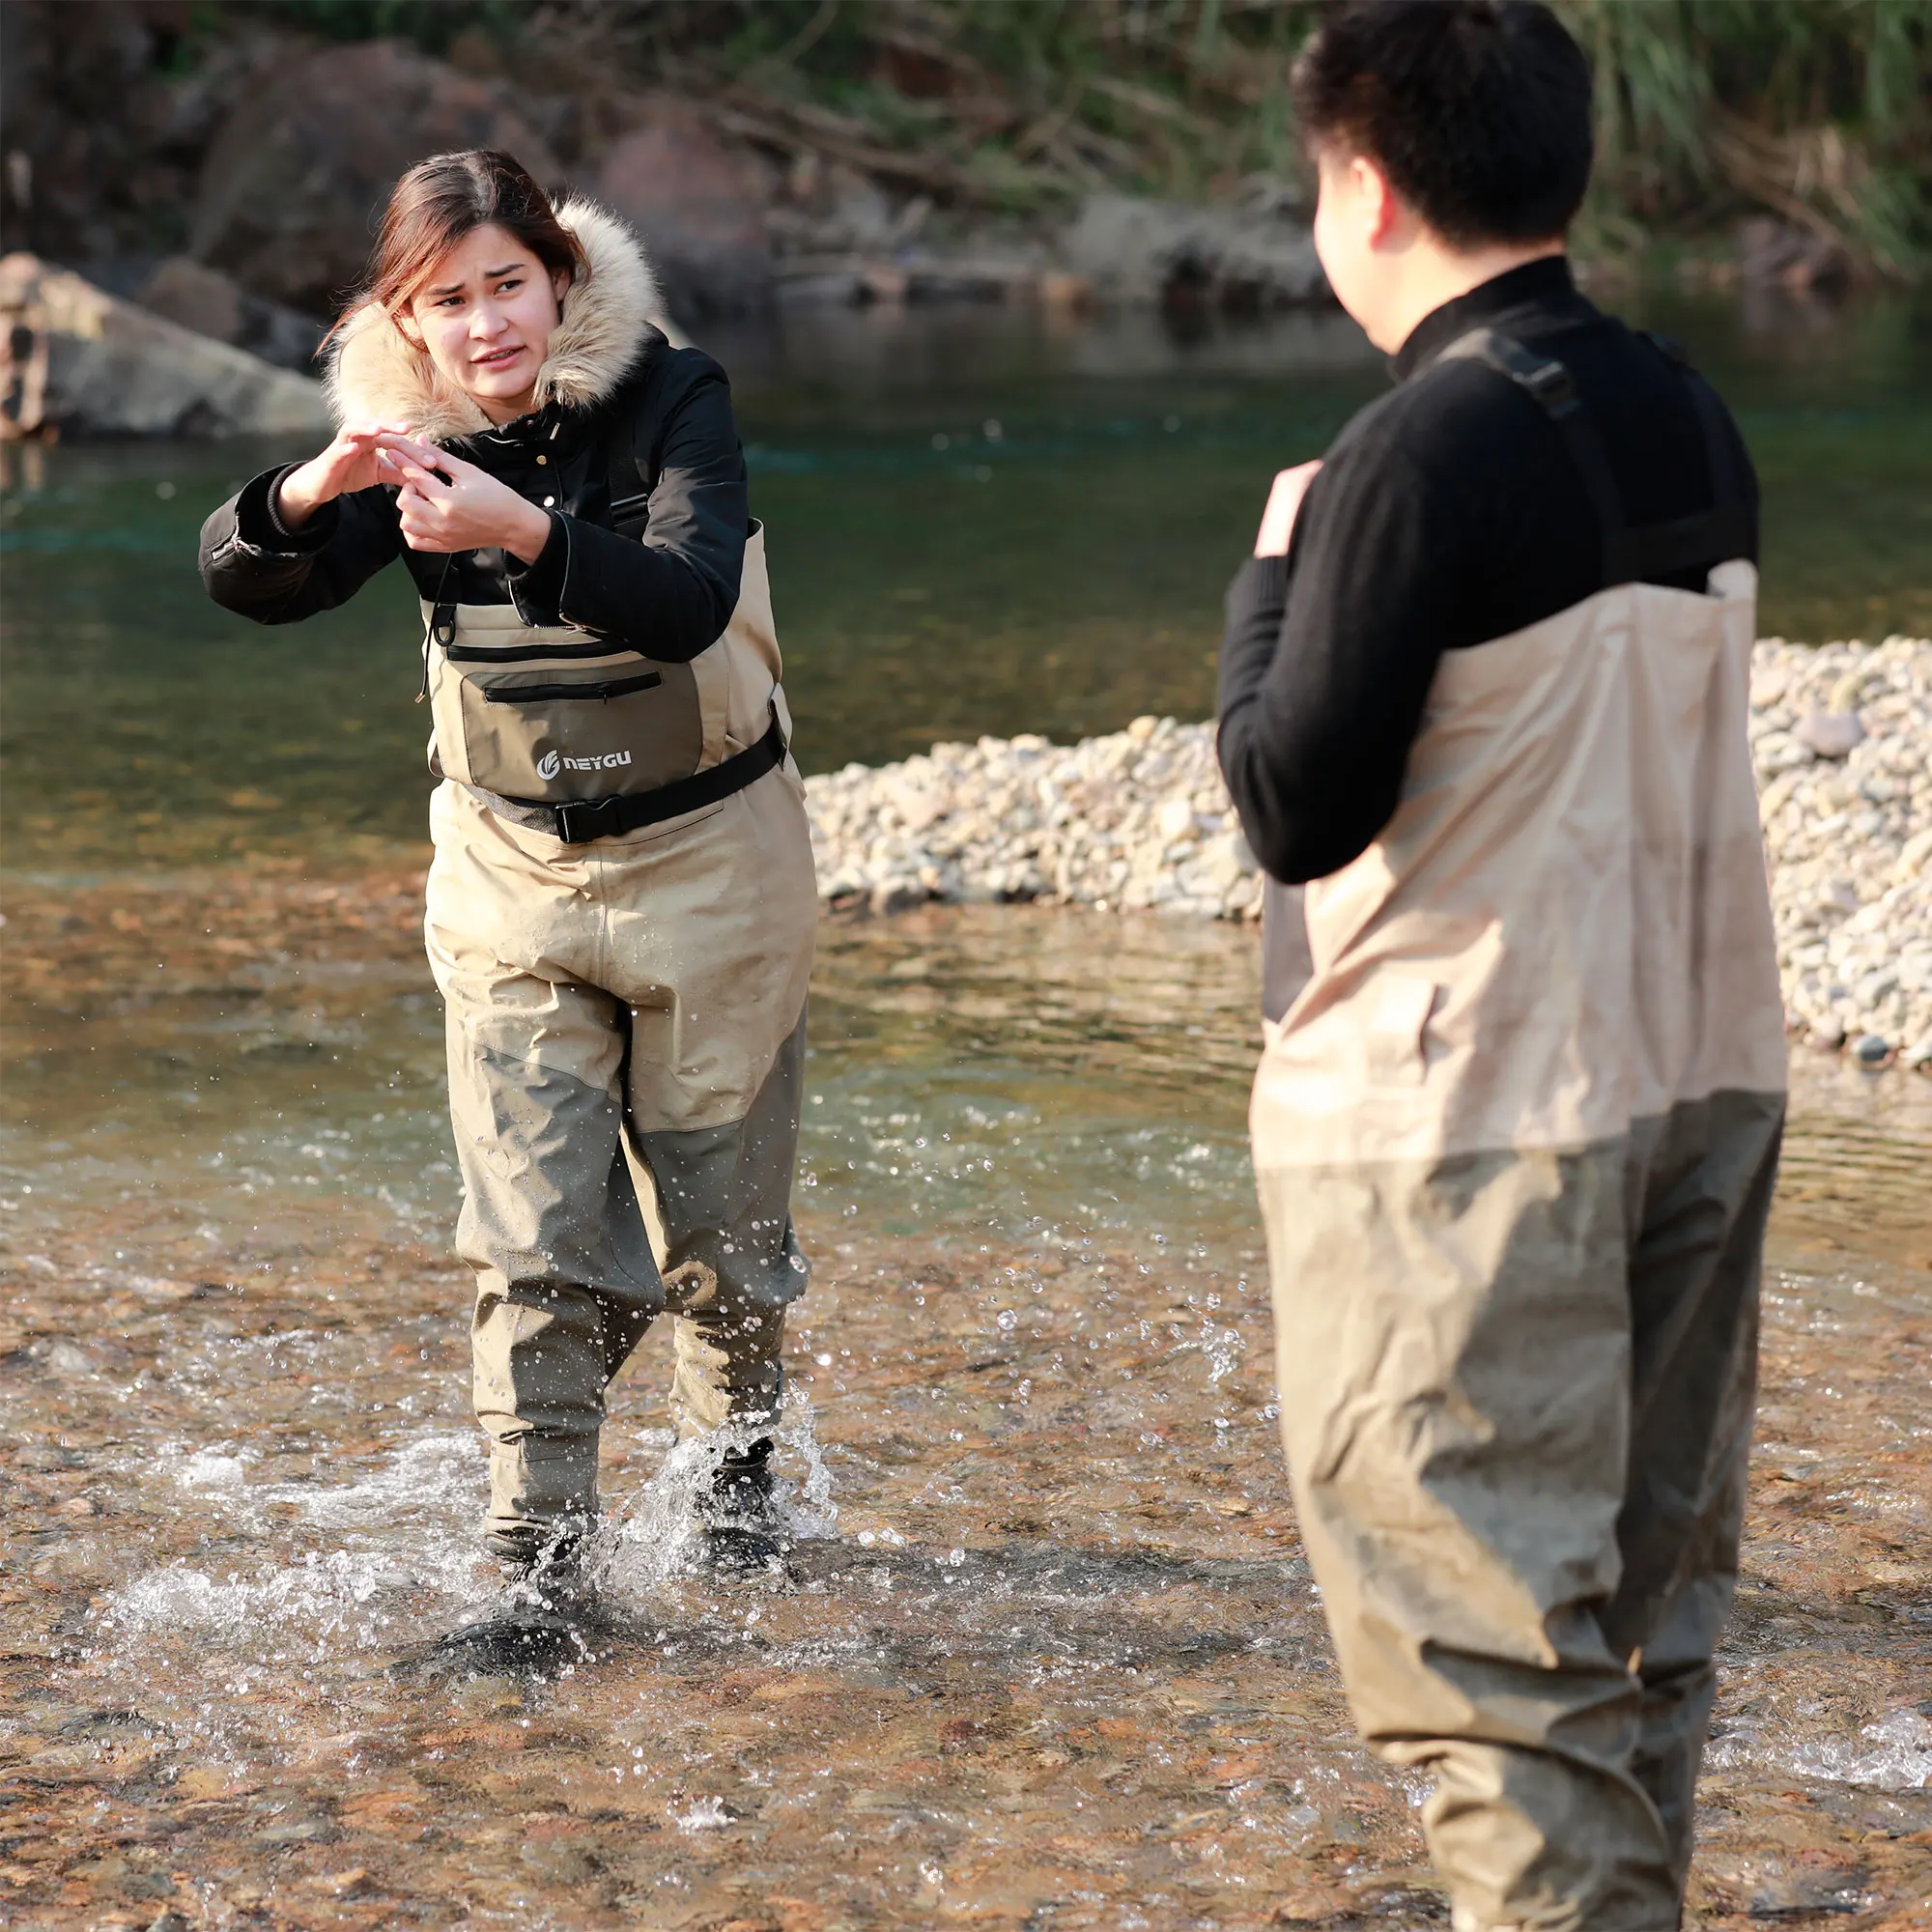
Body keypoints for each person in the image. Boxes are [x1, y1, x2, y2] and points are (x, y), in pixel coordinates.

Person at [1216, 5, 1784, 1926]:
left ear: (1361, 189)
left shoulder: (1411, 448)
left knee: (1486, 1679)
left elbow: (1292, 801)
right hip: (1696, 1081)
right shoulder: (1682, 405)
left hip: (1466, 1125)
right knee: (1635, 1640)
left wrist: (1271, 576)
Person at [200, 150, 818, 1607]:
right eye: (445, 302)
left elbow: (684, 604)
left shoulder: (678, 397)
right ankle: (536, 1570)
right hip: (508, 876)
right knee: (533, 1240)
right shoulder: (402, 435)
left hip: (714, 864)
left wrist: (523, 532)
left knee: (720, 1244)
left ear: (561, 279)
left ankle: (737, 1471)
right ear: (403, 319)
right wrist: (307, 491)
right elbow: (246, 578)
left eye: (506, 288)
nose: (483, 327)